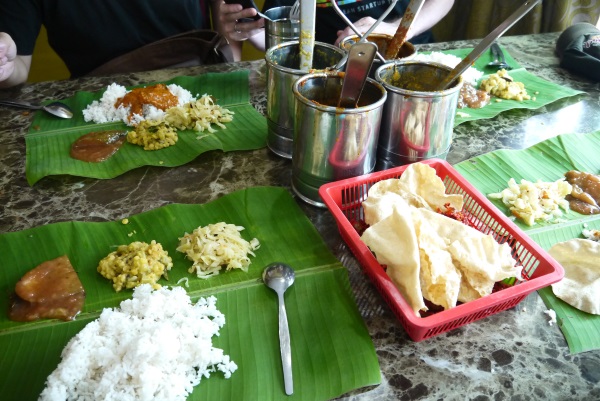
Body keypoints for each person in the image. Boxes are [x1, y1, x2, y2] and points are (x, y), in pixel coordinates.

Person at [0, 0, 225, 89]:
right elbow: (18, 63)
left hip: (198, 85)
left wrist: (236, 40)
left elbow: (233, 25)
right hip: (100, 101)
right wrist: (5, 67)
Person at [219, 0, 454, 61]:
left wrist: (397, 29)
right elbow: (284, 38)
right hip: (324, 66)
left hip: (409, 53)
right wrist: (253, 31)